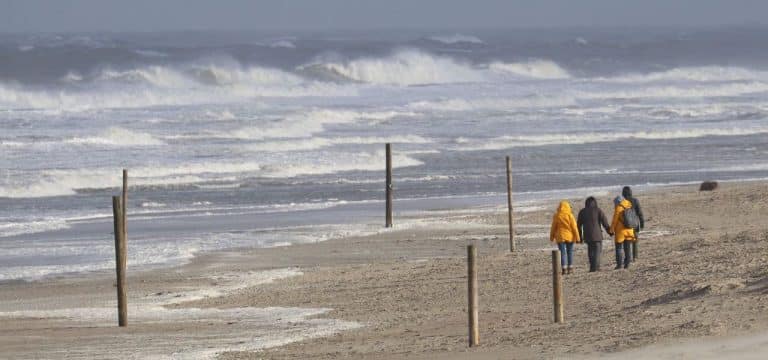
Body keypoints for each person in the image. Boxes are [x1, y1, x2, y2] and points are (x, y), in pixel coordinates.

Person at [577, 197, 612, 272]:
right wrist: (610, 232)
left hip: (587, 235)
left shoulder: (582, 212)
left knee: (591, 251)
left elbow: (578, 226)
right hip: (597, 235)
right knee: (597, 251)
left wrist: (579, 237)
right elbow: (605, 223)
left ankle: (592, 267)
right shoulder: (598, 210)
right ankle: (596, 267)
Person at [550, 200, 581, 275]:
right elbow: (574, 227)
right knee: (569, 252)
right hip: (570, 236)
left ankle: (563, 268)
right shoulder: (570, 215)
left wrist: (552, 236)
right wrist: (578, 237)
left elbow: (553, 227)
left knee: (562, 253)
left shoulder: (557, 215)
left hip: (560, 236)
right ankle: (570, 267)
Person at [610, 195, 636, 269]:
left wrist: (611, 230)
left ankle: (619, 265)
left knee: (619, 248)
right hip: (630, 229)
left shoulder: (618, 208)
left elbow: (614, 221)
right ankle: (627, 264)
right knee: (627, 248)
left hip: (620, 231)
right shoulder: (629, 205)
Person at [622, 186, 645, 259]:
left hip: (626, 224)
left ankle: (628, 258)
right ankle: (635, 257)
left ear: (623, 194)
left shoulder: (622, 202)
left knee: (627, 242)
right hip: (635, 224)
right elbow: (640, 213)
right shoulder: (635, 201)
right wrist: (642, 223)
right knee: (635, 241)